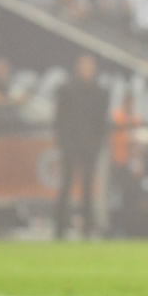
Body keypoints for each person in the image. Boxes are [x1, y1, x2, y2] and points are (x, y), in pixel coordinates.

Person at [53, 53, 110, 239]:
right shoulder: (66, 90)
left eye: (89, 66)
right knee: (66, 184)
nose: (87, 70)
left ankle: (87, 227)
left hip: (90, 146)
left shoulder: (100, 93)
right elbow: (60, 120)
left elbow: (101, 123)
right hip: (70, 144)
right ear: (77, 67)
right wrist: (64, 143)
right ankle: (60, 227)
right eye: (84, 66)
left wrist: (97, 145)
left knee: (88, 187)